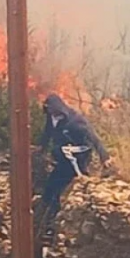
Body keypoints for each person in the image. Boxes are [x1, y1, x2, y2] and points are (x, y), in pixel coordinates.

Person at [35, 93, 112, 245]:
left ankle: (52, 227)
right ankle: (40, 221)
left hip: (77, 158)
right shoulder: (52, 117)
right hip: (63, 159)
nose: (51, 115)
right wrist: (41, 148)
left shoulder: (76, 122)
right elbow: (48, 131)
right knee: (50, 188)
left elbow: (93, 138)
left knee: (59, 191)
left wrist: (105, 157)